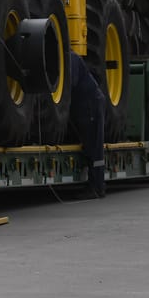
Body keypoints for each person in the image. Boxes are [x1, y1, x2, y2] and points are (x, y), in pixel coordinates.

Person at [68, 50, 107, 199]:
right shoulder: (70, 57)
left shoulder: (70, 58)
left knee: (94, 147)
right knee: (91, 146)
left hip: (90, 105)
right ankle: (97, 185)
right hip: (89, 104)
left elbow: (71, 82)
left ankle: (97, 187)